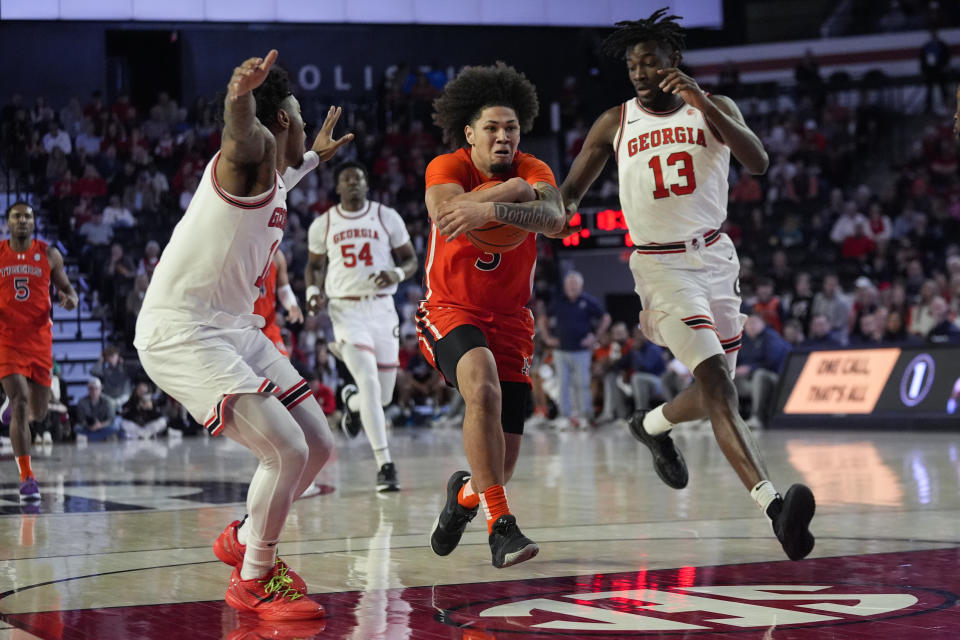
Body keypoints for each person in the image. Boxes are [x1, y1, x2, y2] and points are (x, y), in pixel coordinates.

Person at [560, 9, 815, 561]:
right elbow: (568, 196)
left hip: (717, 260)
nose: (639, 72)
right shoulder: (614, 121)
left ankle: (649, 425)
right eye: (632, 65)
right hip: (660, 267)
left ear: (674, 61)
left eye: (649, 61)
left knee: (710, 392)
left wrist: (701, 101)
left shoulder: (716, 108)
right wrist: (536, 209)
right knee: (720, 386)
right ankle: (776, 510)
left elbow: (760, 162)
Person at [134, 50, 351, 620]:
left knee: (320, 447)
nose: (306, 126)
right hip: (182, 331)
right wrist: (238, 98)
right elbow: (240, 138)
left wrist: (315, 159)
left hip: (234, 329)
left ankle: (244, 536)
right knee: (286, 449)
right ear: (283, 122)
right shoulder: (249, 157)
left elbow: (291, 169)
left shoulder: (279, 174)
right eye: (300, 116)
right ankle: (254, 578)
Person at [420, 62, 572, 568]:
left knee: (498, 468)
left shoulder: (535, 168)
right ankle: (501, 527)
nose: (504, 136)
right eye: (492, 128)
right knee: (480, 385)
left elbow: (555, 220)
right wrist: (514, 193)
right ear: (470, 133)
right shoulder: (446, 166)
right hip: (450, 307)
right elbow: (447, 213)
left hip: (511, 320)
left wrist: (491, 207)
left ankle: (465, 495)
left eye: (511, 128)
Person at [304, 161, 417, 492]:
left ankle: (350, 402)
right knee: (368, 382)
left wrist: (396, 273)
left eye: (358, 178)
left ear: (367, 185)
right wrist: (312, 292)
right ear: (338, 187)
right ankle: (385, 464)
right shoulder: (323, 224)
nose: (353, 183)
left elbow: (410, 259)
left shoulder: (386, 216)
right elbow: (313, 267)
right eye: (346, 180)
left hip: (382, 310)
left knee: (380, 398)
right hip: (345, 310)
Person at [1, 202, 78, 502]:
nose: (22, 220)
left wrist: (69, 299)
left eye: (27, 216)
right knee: (20, 402)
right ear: (8, 222)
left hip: (39, 341)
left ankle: (11, 408)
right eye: (16, 216)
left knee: (39, 411)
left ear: (34, 222)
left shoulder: (49, 254)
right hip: (6, 339)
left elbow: (69, 290)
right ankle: (26, 477)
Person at [539, 271, 610, 428]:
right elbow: (543, 318)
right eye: (569, 284)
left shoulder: (588, 301)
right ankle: (565, 417)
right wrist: (547, 337)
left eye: (575, 284)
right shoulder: (558, 301)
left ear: (581, 286)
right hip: (561, 350)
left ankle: (585, 416)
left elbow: (605, 317)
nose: (572, 287)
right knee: (563, 384)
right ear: (565, 286)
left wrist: (595, 337)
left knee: (583, 384)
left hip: (581, 351)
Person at [254, 249, 303, 358]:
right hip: (244, 326)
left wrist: (292, 305)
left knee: (285, 368)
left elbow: (284, 289)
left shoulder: (277, 256)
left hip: (268, 325)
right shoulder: (241, 251)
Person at [74, 376, 123, 442]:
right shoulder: (82, 402)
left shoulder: (108, 401)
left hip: (103, 426)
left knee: (115, 427)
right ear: (88, 390)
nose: (94, 391)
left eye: (96, 388)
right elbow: (81, 419)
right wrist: (89, 426)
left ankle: (92, 437)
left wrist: (100, 425)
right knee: (77, 428)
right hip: (88, 427)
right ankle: (100, 437)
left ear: (100, 389)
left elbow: (111, 418)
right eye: (91, 388)